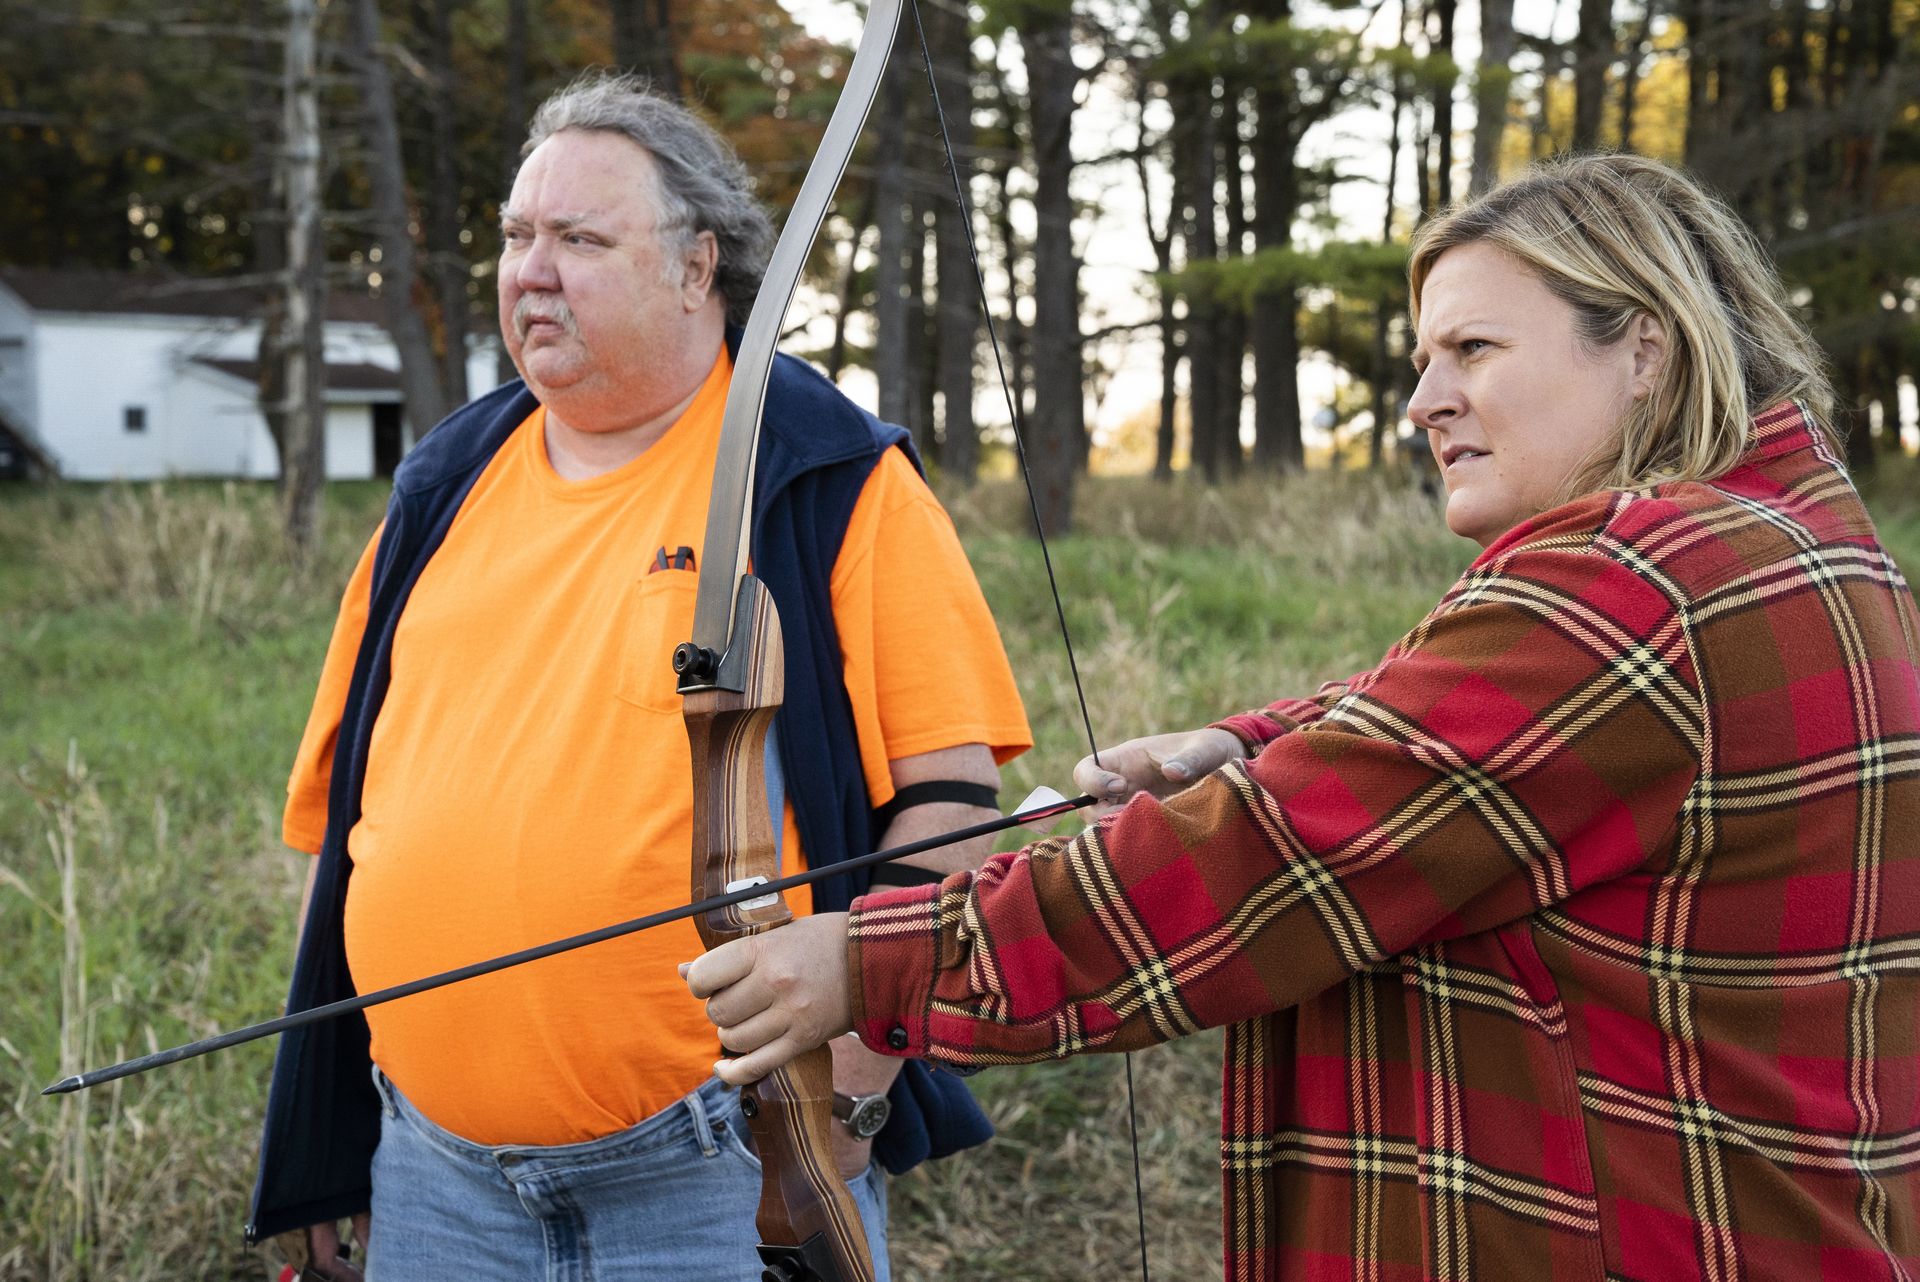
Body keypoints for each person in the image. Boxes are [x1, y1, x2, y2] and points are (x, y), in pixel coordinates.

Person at [686, 153, 1920, 1280]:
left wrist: (873, 958)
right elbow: (1449, 733)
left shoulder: (1630, 587)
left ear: (1644, 347)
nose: (1424, 400)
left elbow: (1269, 857)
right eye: (1424, 358)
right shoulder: (1792, 541)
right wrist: (1247, 742)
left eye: (1475, 348)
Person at [249, 73, 1033, 1281]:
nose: (531, 269)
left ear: (693, 269)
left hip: (727, 1170)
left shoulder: (825, 478)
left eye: (579, 238)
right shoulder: (438, 488)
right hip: (433, 1175)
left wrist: (861, 1070)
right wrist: (320, 1127)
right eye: (516, 236)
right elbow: (346, 833)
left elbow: (954, 804)